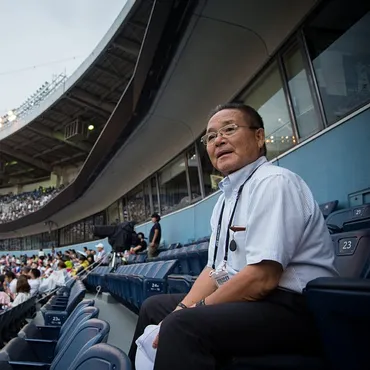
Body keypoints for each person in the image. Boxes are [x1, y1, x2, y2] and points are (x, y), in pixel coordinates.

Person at [128, 103, 338, 370]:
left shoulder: (274, 182)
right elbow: (213, 270)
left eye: (229, 129)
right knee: (154, 308)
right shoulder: (225, 199)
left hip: (291, 309)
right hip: (250, 300)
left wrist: (196, 310)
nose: (219, 140)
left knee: (182, 326)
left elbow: (263, 278)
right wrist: (183, 307)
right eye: (211, 136)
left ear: (259, 137)